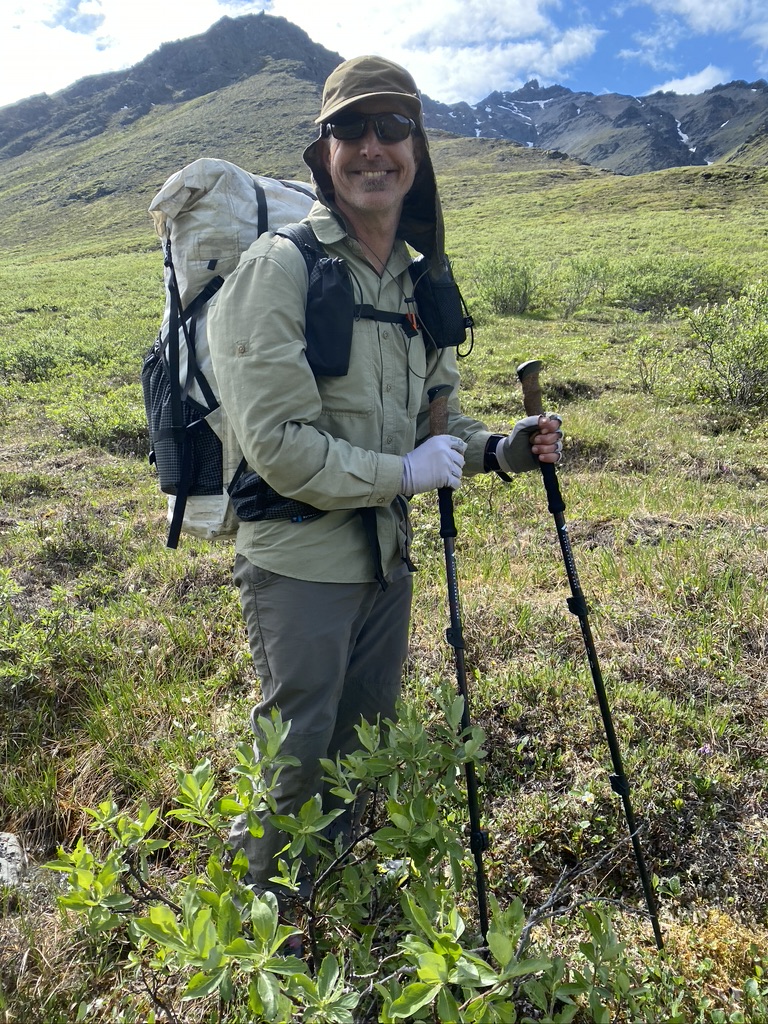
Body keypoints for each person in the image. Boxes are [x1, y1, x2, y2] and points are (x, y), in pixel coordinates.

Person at [207, 55, 563, 900]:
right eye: (351, 129)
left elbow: (437, 421)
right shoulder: (279, 268)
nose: (374, 147)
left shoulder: (417, 278)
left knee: (367, 740)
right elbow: (277, 445)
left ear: (417, 149)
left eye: (393, 127)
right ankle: (261, 931)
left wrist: (504, 448)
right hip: (300, 563)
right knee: (296, 751)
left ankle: (332, 900)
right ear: (323, 152)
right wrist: (401, 473)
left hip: (384, 562)